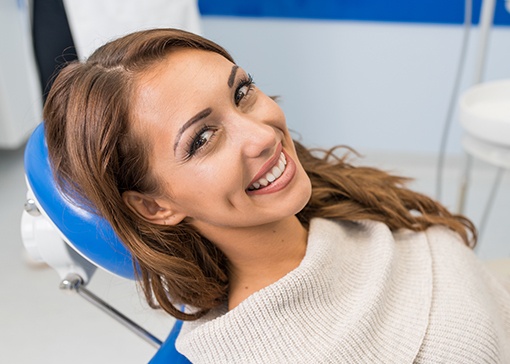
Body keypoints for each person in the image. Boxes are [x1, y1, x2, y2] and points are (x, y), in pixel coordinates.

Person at [43, 28, 510, 363]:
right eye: (203, 139)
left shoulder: (343, 198)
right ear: (154, 205)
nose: (263, 135)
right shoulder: (258, 350)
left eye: (242, 92)